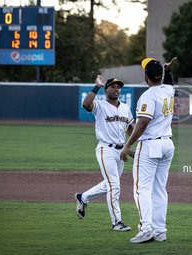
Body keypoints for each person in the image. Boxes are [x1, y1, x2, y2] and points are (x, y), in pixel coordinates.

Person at [120, 57, 177, 243]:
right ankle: (160, 231)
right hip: (167, 144)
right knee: (159, 189)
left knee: (142, 189)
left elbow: (143, 123)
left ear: (146, 76)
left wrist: (128, 145)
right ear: (159, 75)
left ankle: (145, 229)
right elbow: (168, 84)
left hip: (151, 145)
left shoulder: (148, 96)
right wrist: (168, 71)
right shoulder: (168, 90)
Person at [74, 76, 134, 231]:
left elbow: (130, 129)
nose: (116, 89)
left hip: (120, 151)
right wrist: (96, 86)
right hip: (105, 149)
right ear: (106, 89)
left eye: (118, 87)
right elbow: (86, 104)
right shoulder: (99, 105)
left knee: (111, 184)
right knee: (114, 185)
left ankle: (83, 197)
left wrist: (129, 147)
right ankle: (116, 223)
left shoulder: (125, 108)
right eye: (113, 87)